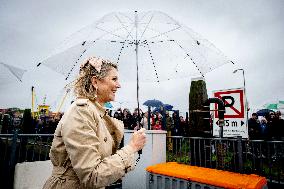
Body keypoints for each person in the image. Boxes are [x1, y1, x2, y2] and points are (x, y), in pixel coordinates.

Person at [43, 57, 147, 189]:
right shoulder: (81, 112)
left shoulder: (97, 114)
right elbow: (92, 176)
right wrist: (132, 147)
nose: (119, 85)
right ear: (95, 82)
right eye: (114, 79)